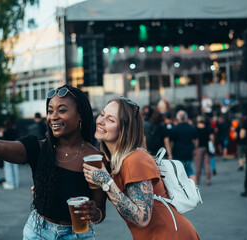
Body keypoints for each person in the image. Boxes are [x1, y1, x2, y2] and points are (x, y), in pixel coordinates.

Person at [0, 85, 107, 239]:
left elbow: (100, 211)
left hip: (77, 235)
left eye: (62, 110)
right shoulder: (39, 148)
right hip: (38, 232)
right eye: (50, 111)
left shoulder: (95, 158)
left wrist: (95, 213)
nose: (53, 117)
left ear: (81, 116)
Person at [83, 96, 200, 240]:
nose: (100, 121)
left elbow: (142, 218)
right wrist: (95, 213)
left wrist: (106, 182)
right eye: (102, 114)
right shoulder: (112, 162)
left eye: (110, 120)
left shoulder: (135, 159)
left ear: (124, 130)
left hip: (170, 235)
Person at [166, 110, 197, 181]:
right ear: (186, 117)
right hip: (189, 152)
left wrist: (170, 153)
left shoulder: (174, 129)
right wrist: (194, 149)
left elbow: (171, 143)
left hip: (178, 154)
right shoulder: (192, 128)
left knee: (180, 174)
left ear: (177, 118)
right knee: (191, 172)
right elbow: (195, 141)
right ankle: (195, 188)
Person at [194, 115, 214, 186]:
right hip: (207, 147)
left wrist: (194, 148)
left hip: (199, 148)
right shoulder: (208, 128)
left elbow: (195, 140)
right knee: (207, 164)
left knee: (198, 165)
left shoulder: (195, 129)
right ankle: (208, 179)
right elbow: (212, 138)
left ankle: (197, 180)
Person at [2, 115, 20, 190]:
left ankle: (10, 183)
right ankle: (15, 183)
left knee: (8, 167)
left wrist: (0, 134)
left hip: (7, 150)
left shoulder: (7, 131)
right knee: (14, 167)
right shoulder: (15, 129)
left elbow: (3, 139)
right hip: (15, 149)